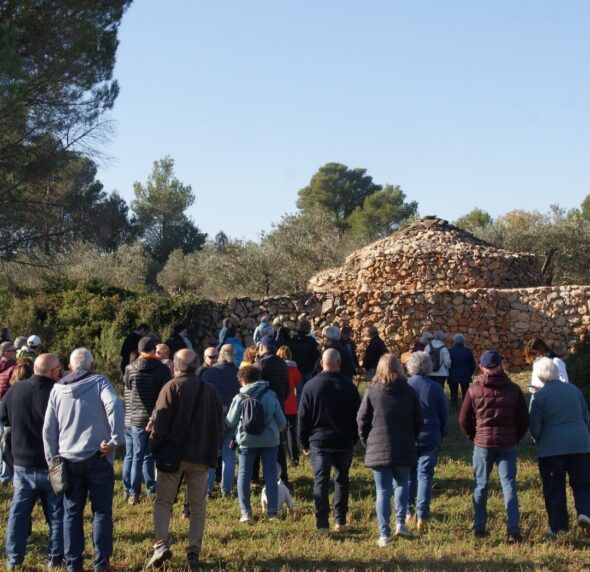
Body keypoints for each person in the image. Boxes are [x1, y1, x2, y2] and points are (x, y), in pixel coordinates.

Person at [43, 347, 125, 572]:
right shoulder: (99, 382)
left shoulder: (57, 389)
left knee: (71, 512)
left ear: (69, 367)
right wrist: (115, 439)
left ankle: (73, 564)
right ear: (92, 365)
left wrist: (52, 459)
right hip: (98, 456)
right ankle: (101, 564)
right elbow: (115, 404)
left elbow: (49, 429)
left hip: (68, 460)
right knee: (101, 512)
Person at [147, 349, 223, 570]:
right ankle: (193, 553)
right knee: (198, 506)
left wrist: (154, 446)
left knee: (163, 503)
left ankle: (161, 545)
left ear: (175, 366)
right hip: (200, 455)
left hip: (172, 455)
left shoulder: (171, 387)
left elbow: (159, 424)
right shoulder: (210, 391)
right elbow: (219, 425)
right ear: (198, 364)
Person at [0, 353, 64, 570]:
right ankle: (55, 559)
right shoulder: (58, 392)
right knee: (56, 515)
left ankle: (13, 559)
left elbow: (3, 418)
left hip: (22, 462)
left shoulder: (15, 390)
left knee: (18, 513)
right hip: (51, 463)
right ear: (54, 371)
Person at [458, 350, 529, 543]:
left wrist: (474, 436)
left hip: (483, 443)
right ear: (500, 365)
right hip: (507, 443)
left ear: (481, 367)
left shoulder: (474, 390)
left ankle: (479, 526)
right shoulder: (513, 389)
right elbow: (523, 418)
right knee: (509, 485)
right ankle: (513, 530)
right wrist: (516, 437)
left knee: (480, 485)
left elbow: (463, 419)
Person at [357, 354, 422, 545]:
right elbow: (418, 420)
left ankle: (384, 533)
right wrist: (412, 437)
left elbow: (362, 420)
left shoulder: (372, 392)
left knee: (383, 491)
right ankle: (401, 523)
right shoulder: (409, 392)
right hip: (404, 445)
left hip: (378, 446)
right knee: (402, 484)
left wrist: (366, 441)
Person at [298, 349, 361, 533]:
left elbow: (303, 417)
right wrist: (354, 439)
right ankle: (340, 521)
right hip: (343, 441)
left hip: (319, 442)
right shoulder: (349, 387)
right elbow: (358, 417)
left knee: (321, 481)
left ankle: (322, 524)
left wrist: (303, 443)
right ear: (339, 363)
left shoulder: (310, 386)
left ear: (321, 363)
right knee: (342, 480)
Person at [528, 357, 590, 537]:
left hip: (551, 448)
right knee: (583, 483)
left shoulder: (539, 396)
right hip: (580, 445)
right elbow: (586, 416)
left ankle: (557, 527)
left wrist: (538, 440)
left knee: (554, 487)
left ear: (539, 376)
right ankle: (585, 512)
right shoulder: (574, 390)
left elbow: (535, 426)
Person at [225, 365, 286, 522]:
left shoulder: (239, 398)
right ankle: (272, 512)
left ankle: (246, 512)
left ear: (243, 380)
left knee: (244, 474)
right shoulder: (270, 394)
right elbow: (282, 422)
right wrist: (273, 431)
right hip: (270, 440)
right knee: (271, 474)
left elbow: (230, 422)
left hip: (246, 441)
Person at [123, 337, 172, 504]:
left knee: (137, 455)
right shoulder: (162, 369)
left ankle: (133, 493)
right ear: (153, 350)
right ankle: (153, 488)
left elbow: (128, 387)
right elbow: (165, 395)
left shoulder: (130, 368)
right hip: (156, 416)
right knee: (152, 455)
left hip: (136, 417)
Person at [405, 351, 448, 532]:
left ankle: (408, 512)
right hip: (430, 435)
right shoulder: (436, 388)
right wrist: (441, 432)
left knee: (408, 475)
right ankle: (422, 515)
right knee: (425, 476)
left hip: (408, 436)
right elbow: (444, 415)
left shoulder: (405, 386)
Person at [201, 344, 241, 496]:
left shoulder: (210, 372)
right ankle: (227, 489)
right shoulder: (238, 373)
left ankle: (208, 489)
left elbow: (203, 394)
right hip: (232, 416)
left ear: (220, 355)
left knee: (211, 453)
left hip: (213, 416)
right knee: (229, 453)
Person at [255, 335, 290, 485]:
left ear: (262, 347)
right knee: (278, 444)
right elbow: (288, 388)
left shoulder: (260, 364)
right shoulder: (283, 364)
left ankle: (255, 478)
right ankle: (282, 477)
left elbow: (255, 388)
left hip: (263, 409)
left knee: (256, 443)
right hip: (279, 407)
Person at [276, 345, 302, 466]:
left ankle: (280, 457)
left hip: (279, 403)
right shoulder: (294, 369)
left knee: (280, 432)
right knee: (291, 432)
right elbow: (298, 385)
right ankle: (294, 457)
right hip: (292, 404)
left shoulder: (277, 369)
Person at [288, 319, 320, 401]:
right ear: (308, 329)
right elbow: (316, 355)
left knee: (299, 391)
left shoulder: (293, 339)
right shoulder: (311, 341)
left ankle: (299, 410)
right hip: (308, 369)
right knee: (309, 391)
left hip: (296, 369)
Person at [0, 341, 18, 485]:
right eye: (13, 350)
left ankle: (3, 474)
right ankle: (6, 476)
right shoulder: (12, 369)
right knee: (7, 444)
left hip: (1, 409)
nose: (16, 352)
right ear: (5, 352)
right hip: (9, 411)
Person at [448, 333, 477, 410]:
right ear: (463, 341)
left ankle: (453, 409)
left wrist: (448, 374)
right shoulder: (468, 351)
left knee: (453, 394)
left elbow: (447, 364)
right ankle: (466, 410)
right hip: (465, 375)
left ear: (454, 341)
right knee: (466, 394)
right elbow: (473, 365)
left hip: (452, 375)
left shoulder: (449, 351)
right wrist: (469, 374)